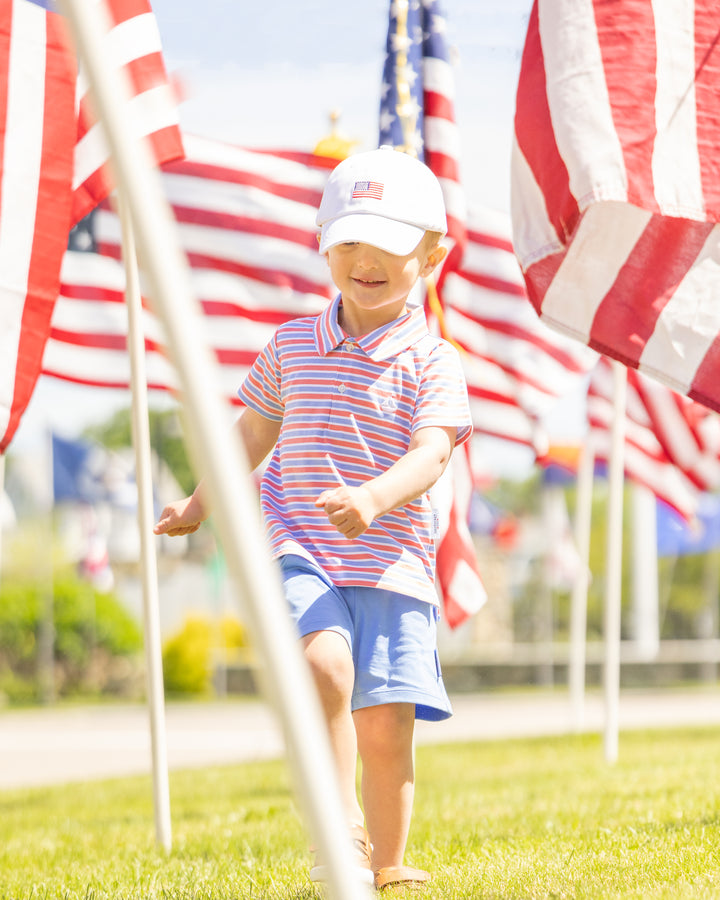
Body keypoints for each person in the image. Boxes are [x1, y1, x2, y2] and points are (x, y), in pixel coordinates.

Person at [154, 146, 472, 890]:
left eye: (388, 246)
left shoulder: (434, 361)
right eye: (348, 241)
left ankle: (388, 864)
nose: (364, 260)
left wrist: (372, 499)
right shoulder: (293, 345)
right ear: (326, 239)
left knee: (387, 724)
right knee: (323, 665)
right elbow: (251, 436)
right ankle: (341, 839)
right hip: (301, 544)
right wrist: (200, 503)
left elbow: (431, 455)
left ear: (432, 254)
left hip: (393, 565)